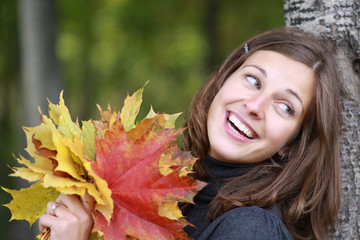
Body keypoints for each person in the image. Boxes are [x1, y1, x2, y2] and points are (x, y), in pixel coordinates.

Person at [39, 27, 342, 240]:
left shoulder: (252, 228)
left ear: (291, 145)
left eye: (285, 107)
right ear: (224, 80)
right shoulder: (167, 197)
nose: (254, 106)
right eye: (253, 80)